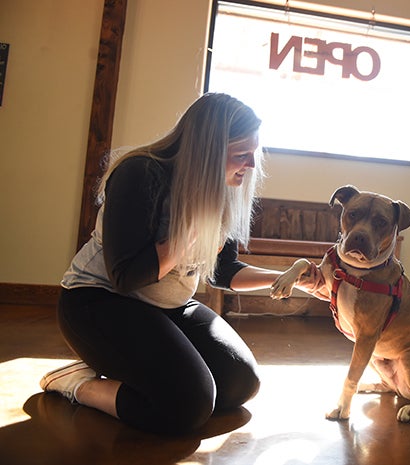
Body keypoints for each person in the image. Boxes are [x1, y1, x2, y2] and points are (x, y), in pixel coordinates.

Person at [40, 93, 323, 434]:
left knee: (240, 384)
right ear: (209, 152)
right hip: (99, 301)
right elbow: (125, 277)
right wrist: (189, 232)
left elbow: (222, 270)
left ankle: (139, 368)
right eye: (241, 156)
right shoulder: (141, 172)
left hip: (167, 305)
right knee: (189, 404)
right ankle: (77, 384)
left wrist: (285, 279)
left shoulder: (223, 190)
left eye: (253, 155)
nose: (250, 167)